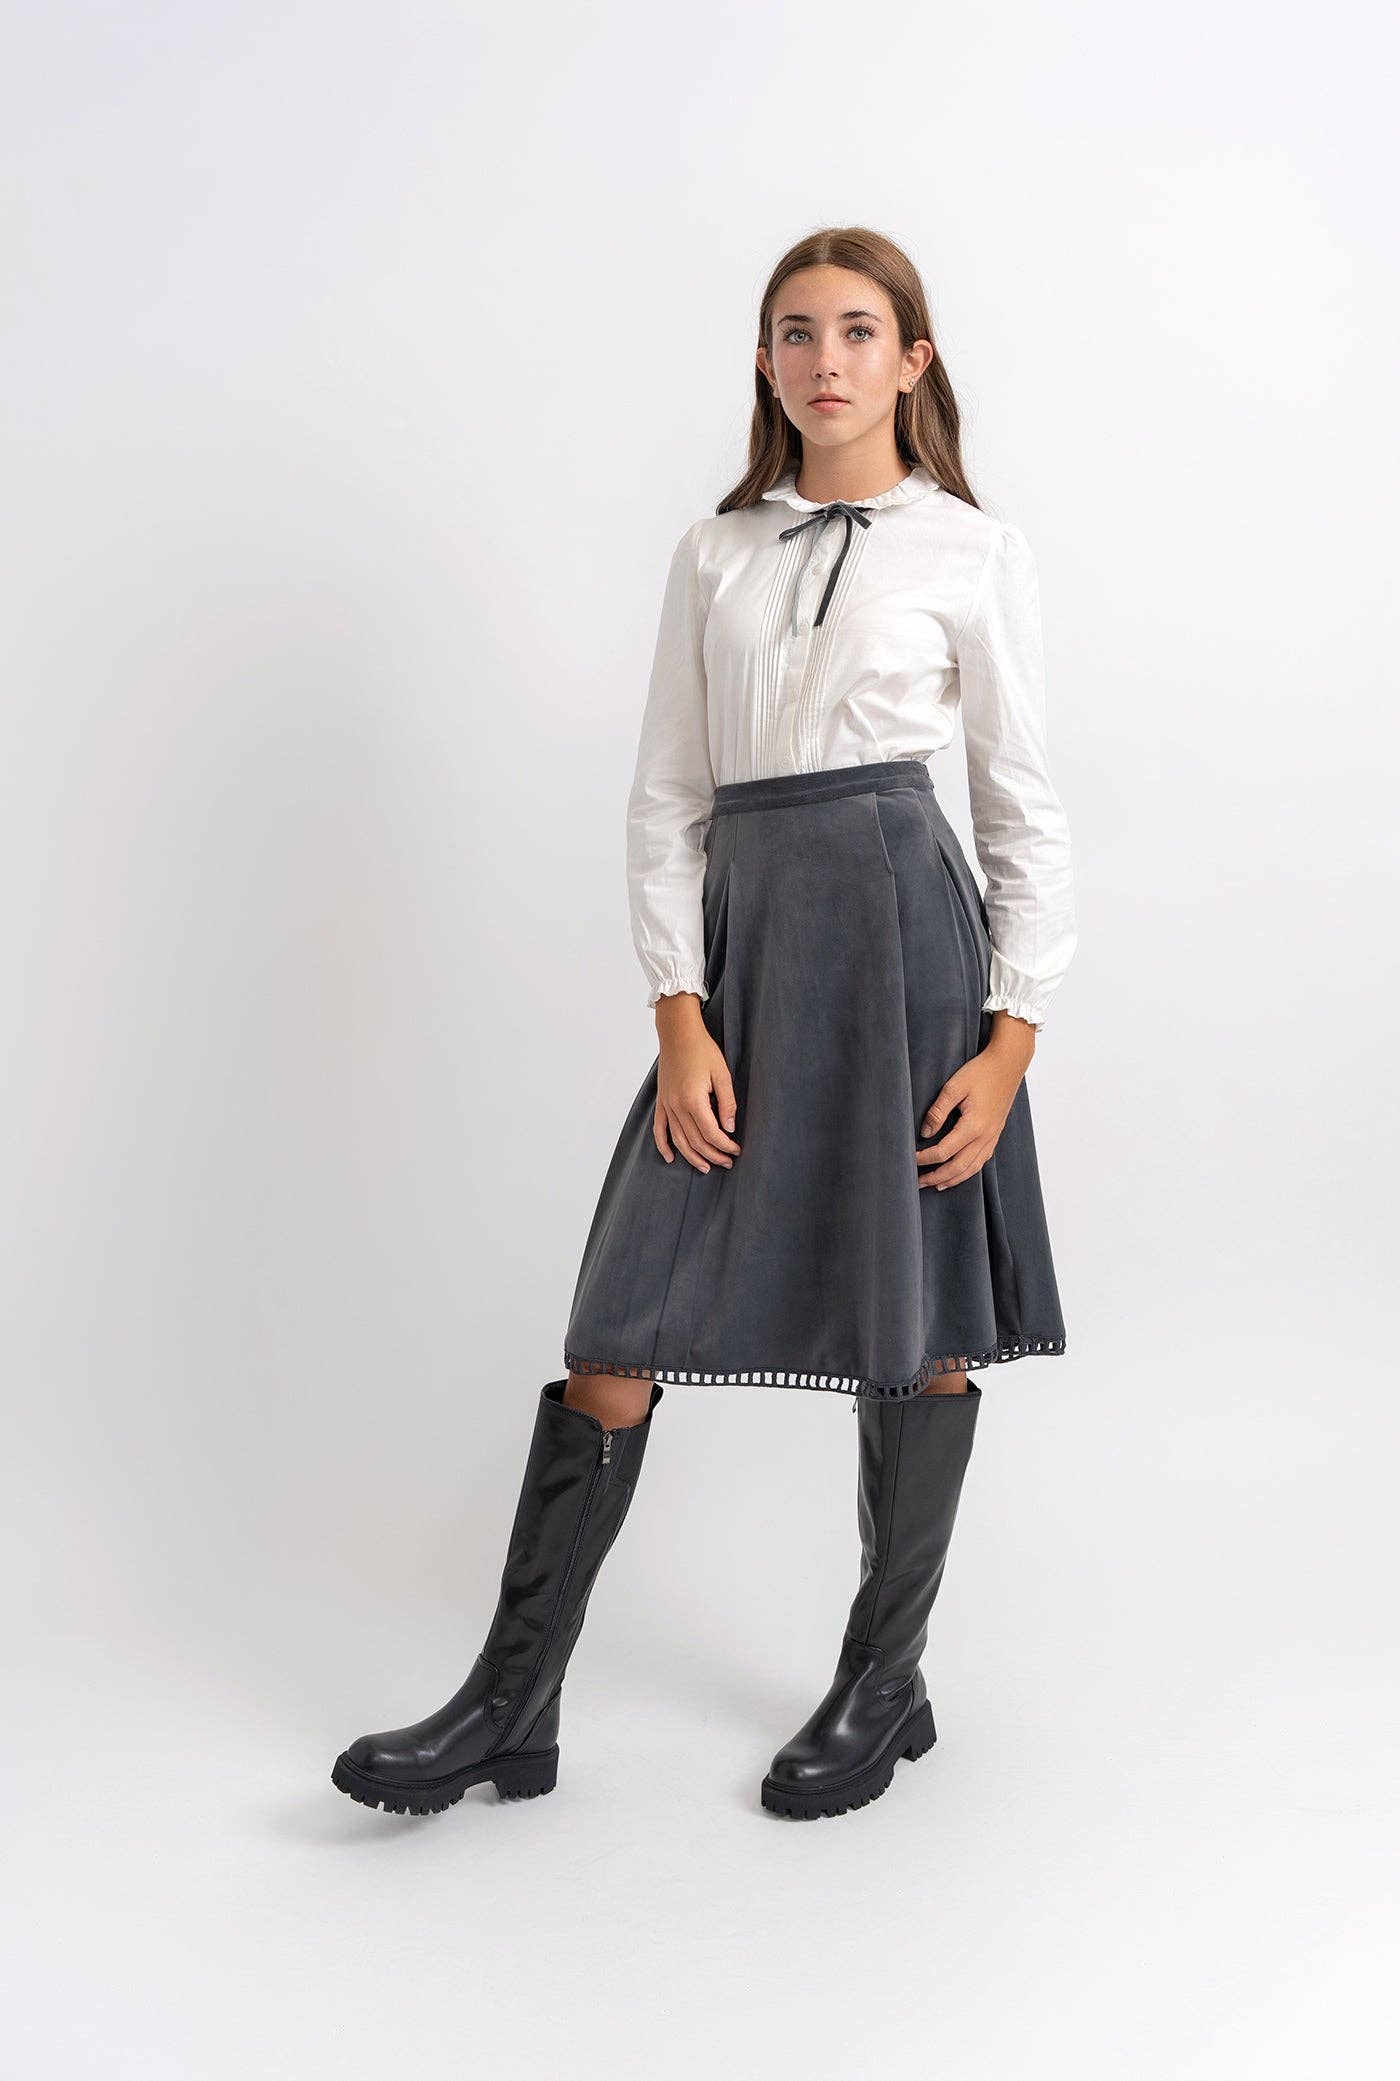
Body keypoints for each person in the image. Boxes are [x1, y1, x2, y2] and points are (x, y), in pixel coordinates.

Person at [332, 224, 1077, 1823]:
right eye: (796, 331)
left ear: (913, 361)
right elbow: (669, 795)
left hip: (906, 947)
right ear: (764, 360)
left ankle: (884, 1679)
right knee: (619, 1320)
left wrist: (1010, 1040)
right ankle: (509, 1704)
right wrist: (681, 1012)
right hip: (745, 952)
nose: (826, 359)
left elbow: (1021, 808)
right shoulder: (718, 551)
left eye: (858, 331)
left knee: (916, 1315)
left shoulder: (972, 552)